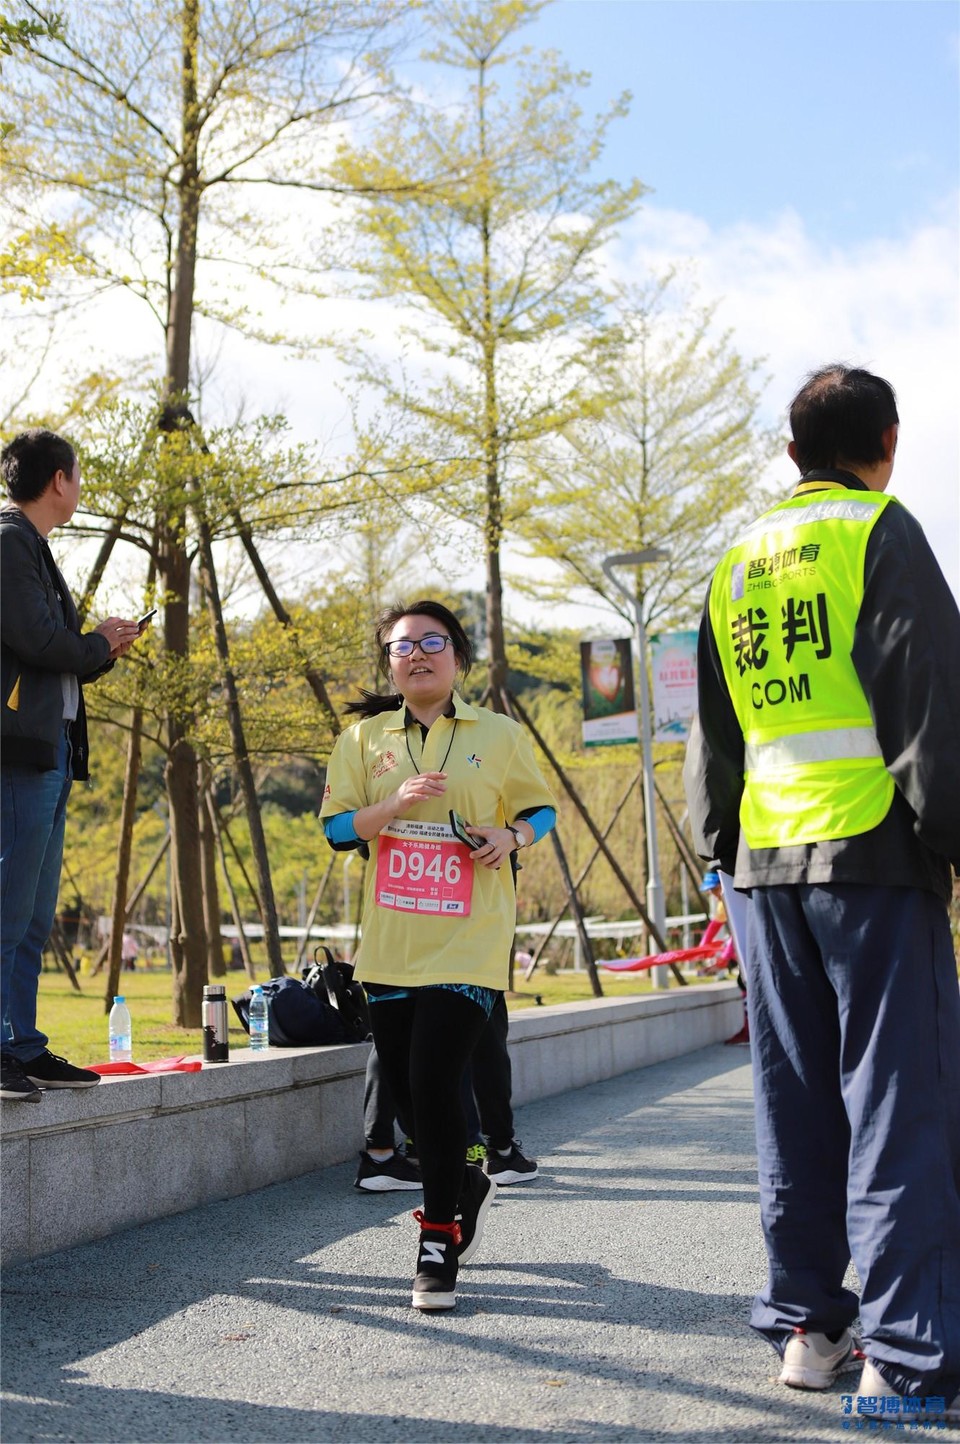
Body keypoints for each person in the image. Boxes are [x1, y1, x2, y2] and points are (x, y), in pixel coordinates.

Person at [683, 365, 960, 1415]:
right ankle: (910, 1358)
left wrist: (724, 856)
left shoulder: (738, 560)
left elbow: (714, 734)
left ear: (792, 452)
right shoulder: (880, 531)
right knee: (902, 1106)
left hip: (762, 873)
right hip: (872, 862)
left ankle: (811, 1322)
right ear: (888, 438)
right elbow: (930, 705)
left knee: (792, 1105)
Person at [321, 599, 555, 1310]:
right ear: (389, 664)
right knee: (408, 1094)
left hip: (470, 941)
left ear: (457, 657)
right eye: (402, 646)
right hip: (392, 945)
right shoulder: (363, 741)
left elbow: (539, 810)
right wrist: (391, 806)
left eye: (432, 642)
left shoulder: (500, 734)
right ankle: (468, 1181)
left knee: (433, 1077)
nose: (417, 654)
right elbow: (336, 828)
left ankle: (436, 1238)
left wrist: (511, 838)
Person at [1, 429, 143, 1102]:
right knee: (7, 907)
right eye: (77, 475)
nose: (80, 486)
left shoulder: (32, 547)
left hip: (50, 751)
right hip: (16, 756)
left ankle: (22, 1045)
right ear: (58, 478)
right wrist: (96, 642)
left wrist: (101, 648)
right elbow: (36, 639)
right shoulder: (7, 542)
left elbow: (53, 650)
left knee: (33, 913)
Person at [355, 993, 539, 1191]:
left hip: (389, 970)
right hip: (456, 971)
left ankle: (381, 1155)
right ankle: (501, 1153)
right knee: (486, 1030)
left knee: (390, 1036)